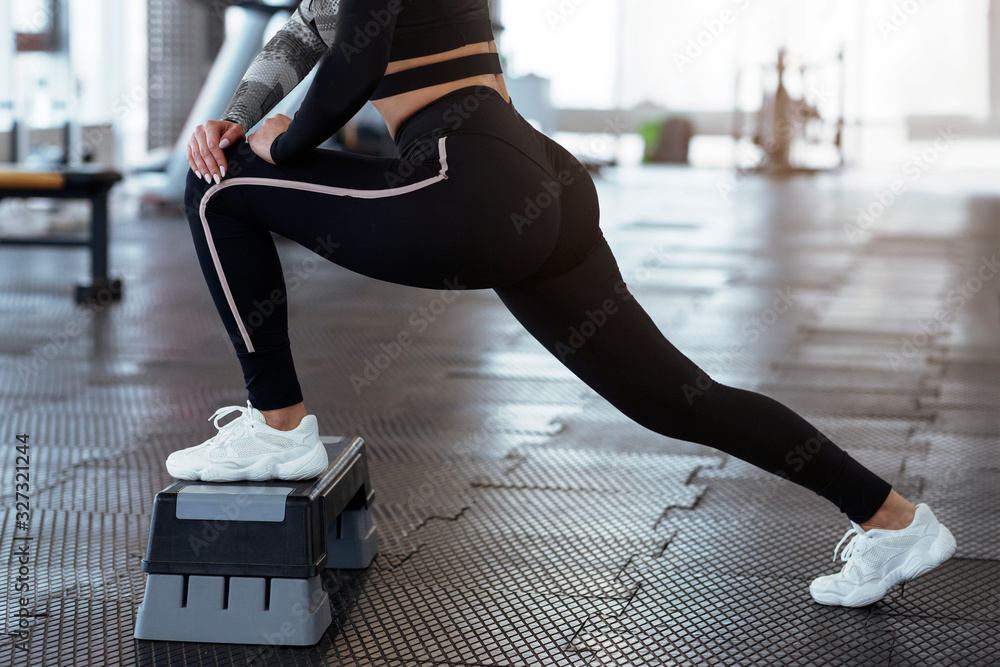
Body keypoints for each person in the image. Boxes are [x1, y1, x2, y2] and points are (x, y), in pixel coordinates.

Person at [170, 0, 956, 607]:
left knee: (216, 187)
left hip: (462, 179)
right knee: (679, 398)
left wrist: (281, 142)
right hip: (540, 180)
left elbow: (355, 59)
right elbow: (310, 27)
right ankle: (892, 518)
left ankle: (278, 428)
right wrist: (240, 115)